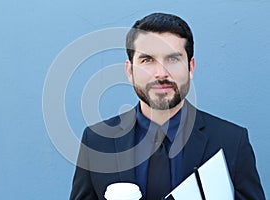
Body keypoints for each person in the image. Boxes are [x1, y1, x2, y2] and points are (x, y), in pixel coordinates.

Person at [70, 13, 265, 200]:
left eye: (173, 59)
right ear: (130, 71)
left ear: (191, 67)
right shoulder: (96, 141)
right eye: (147, 60)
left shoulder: (231, 141)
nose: (161, 73)